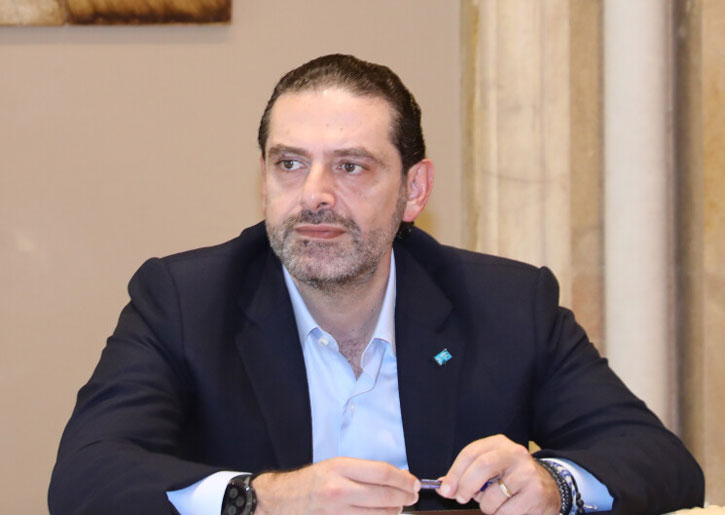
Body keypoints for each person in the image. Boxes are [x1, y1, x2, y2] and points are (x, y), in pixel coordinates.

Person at [48, 54, 704, 515]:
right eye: (289, 164)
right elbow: (85, 477)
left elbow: (660, 461)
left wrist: (554, 487)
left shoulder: (507, 304)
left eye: (351, 167)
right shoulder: (184, 300)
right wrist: (265, 498)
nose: (315, 196)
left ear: (414, 190)